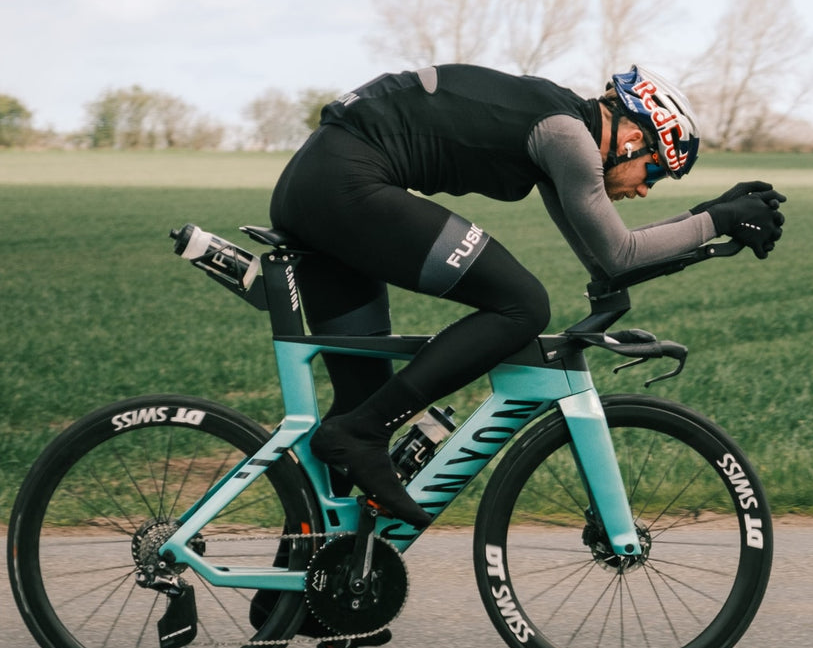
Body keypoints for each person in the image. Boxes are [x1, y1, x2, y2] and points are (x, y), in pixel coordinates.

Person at [269, 63, 786, 528]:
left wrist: (710, 216)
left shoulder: (557, 129)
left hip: (315, 185)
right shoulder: (569, 139)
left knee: (360, 400)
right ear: (631, 137)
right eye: (653, 169)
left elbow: (607, 260)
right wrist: (715, 220)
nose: (646, 189)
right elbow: (623, 253)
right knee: (522, 305)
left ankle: (298, 590)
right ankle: (364, 433)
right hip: (346, 183)